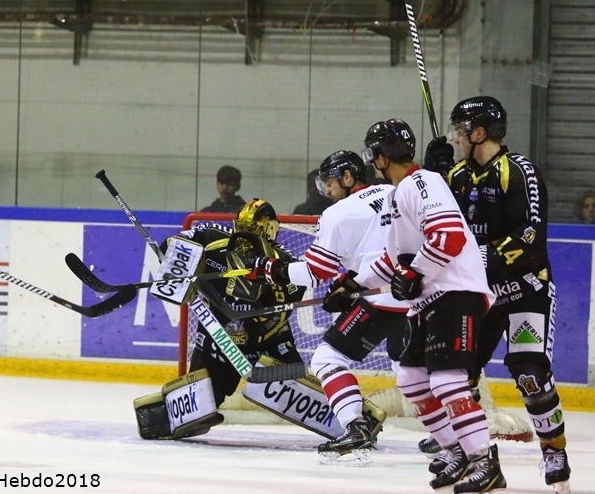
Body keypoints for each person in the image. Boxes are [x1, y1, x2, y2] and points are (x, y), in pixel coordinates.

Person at [337, 118, 505, 493]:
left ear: (380, 156)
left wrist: (413, 274)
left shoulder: (423, 183)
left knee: (447, 381)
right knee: (411, 379)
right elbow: (394, 257)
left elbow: (447, 238)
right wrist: (353, 283)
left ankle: (484, 460)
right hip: (432, 298)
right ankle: (454, 449)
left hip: (456, 292)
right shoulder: (400, 193)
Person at [422, 96, 569, 493]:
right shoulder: (455, 175)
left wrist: (474, 257)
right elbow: (434, 222)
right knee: (459, 377)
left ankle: (554, 451)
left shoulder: (518, 171)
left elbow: (531, 237)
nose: (455, 136)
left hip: (525, 291)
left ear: (479, 132)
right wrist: (430, 174)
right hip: (481, 297)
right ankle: (481, 461)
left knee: (530, 374)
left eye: (460, 129)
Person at [134, 199, 345, 442]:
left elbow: (278, 312)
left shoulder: (284, 265)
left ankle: (352, 420)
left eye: (251, 230)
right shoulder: (214, 240)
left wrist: (259, 293)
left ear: (268, 230)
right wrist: (176, 261)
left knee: (309, 400)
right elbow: (177, 242)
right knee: (193, 414)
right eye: (241, 228)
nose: (244, 236)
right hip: (218, 346)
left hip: (267, 346)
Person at [242, 150, 403, 460]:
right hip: (419, 295)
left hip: (379, 300)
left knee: (328, 358)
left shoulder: (339, 213)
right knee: (412, 371)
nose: (326, 191)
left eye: (329, 182)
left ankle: (355, 427)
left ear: (347, 176)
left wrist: (265, 269)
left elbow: (313, 273)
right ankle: (454, 435)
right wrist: (348, 283)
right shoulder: (394, 191)